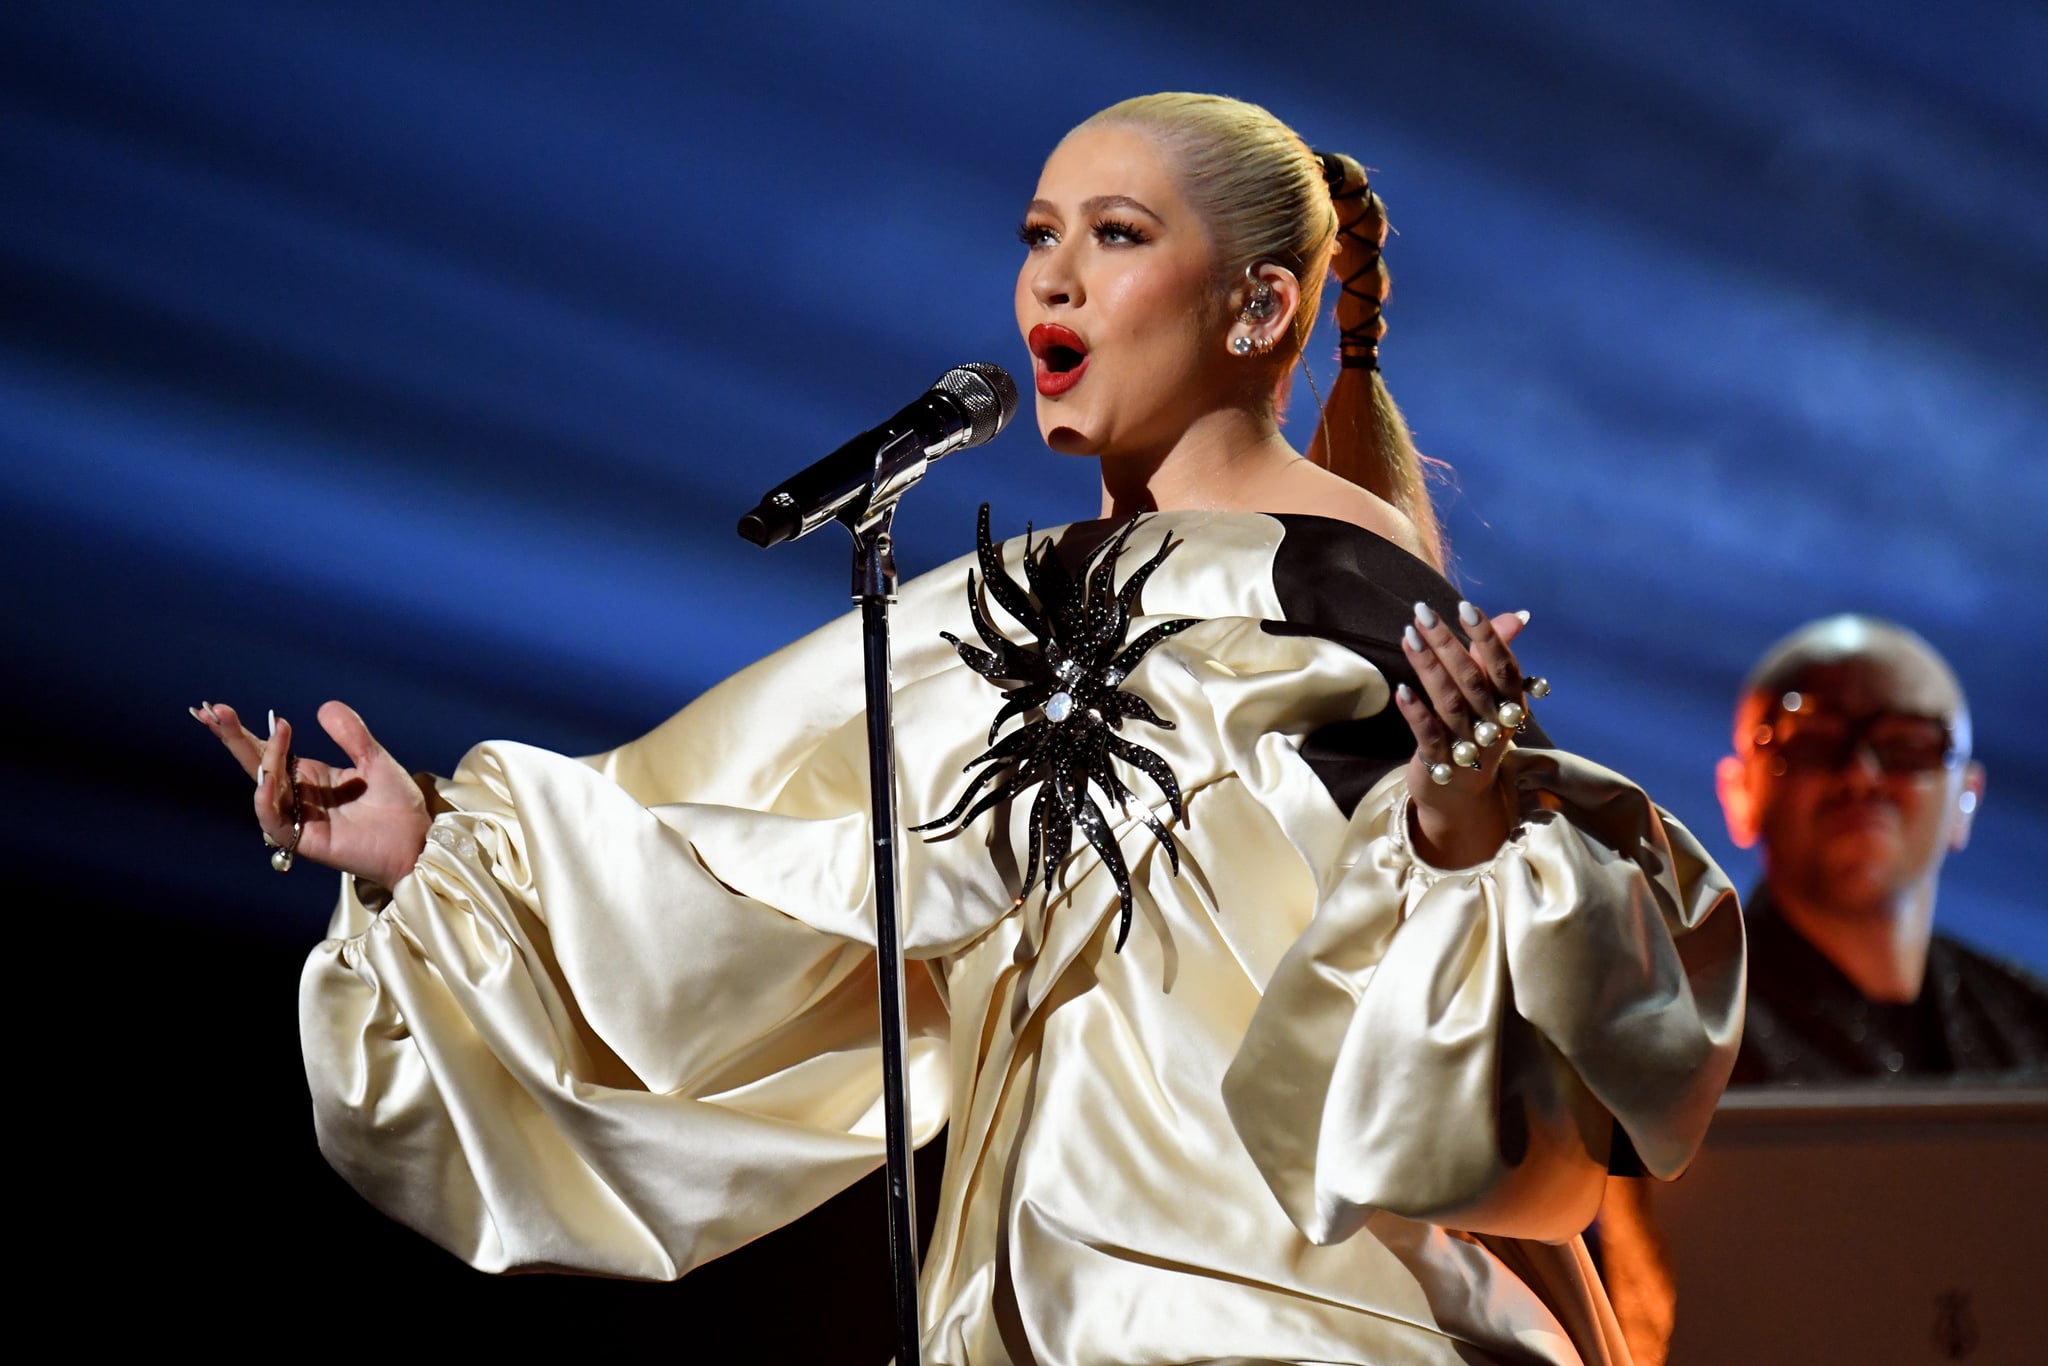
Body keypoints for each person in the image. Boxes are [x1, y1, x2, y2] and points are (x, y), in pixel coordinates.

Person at [193, 93, 1743, 1364]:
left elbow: (1503, 1037)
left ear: (1261, 304)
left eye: (1116, 238)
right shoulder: (1007, 602)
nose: (1051, 281)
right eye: (1038, 239)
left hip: (1264, 1303)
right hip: (1032, 1294)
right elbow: (752, 860)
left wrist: (1464, 836)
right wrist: (434, 854)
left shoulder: (1338, 584)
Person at [1717, 614, 2048, 1084]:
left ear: (1965, 800)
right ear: (1740, 793)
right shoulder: (1682, 1034)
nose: (1860, 775)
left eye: (1907, 745)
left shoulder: (2031, 1030)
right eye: (1813, 739)